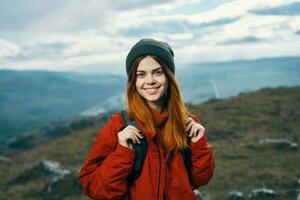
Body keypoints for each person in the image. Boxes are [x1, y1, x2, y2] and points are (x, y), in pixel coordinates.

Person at [79, 38, 215, 200]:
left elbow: (200, 179)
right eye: (141, 74)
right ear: (133, 82)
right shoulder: (119, 126)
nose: (150, 81)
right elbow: (93, 187)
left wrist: (199, 144)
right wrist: (123, 152)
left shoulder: (188, 124)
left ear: (169, 76)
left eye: (158, 72)